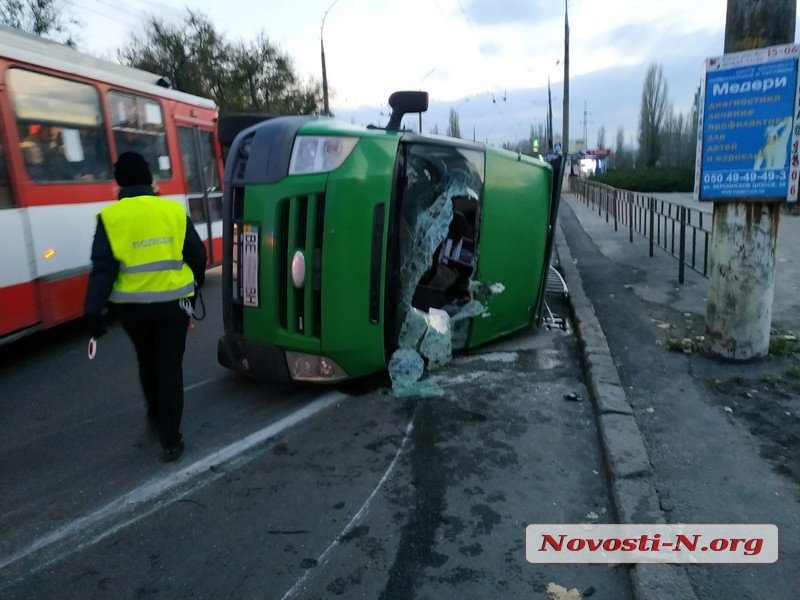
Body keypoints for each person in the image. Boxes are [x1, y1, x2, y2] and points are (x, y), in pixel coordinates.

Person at [84, 151, 206, 462]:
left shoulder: (110, 219)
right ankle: (171, 440)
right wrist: (195, 287)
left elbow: (103, 269)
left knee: (146, 360)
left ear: (119, 184)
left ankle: (154, 413)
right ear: (150, 178)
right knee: (170, 368)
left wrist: (93, 311)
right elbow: (197, 254)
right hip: (173, 305)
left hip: (133, 310)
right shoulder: (173, 211)